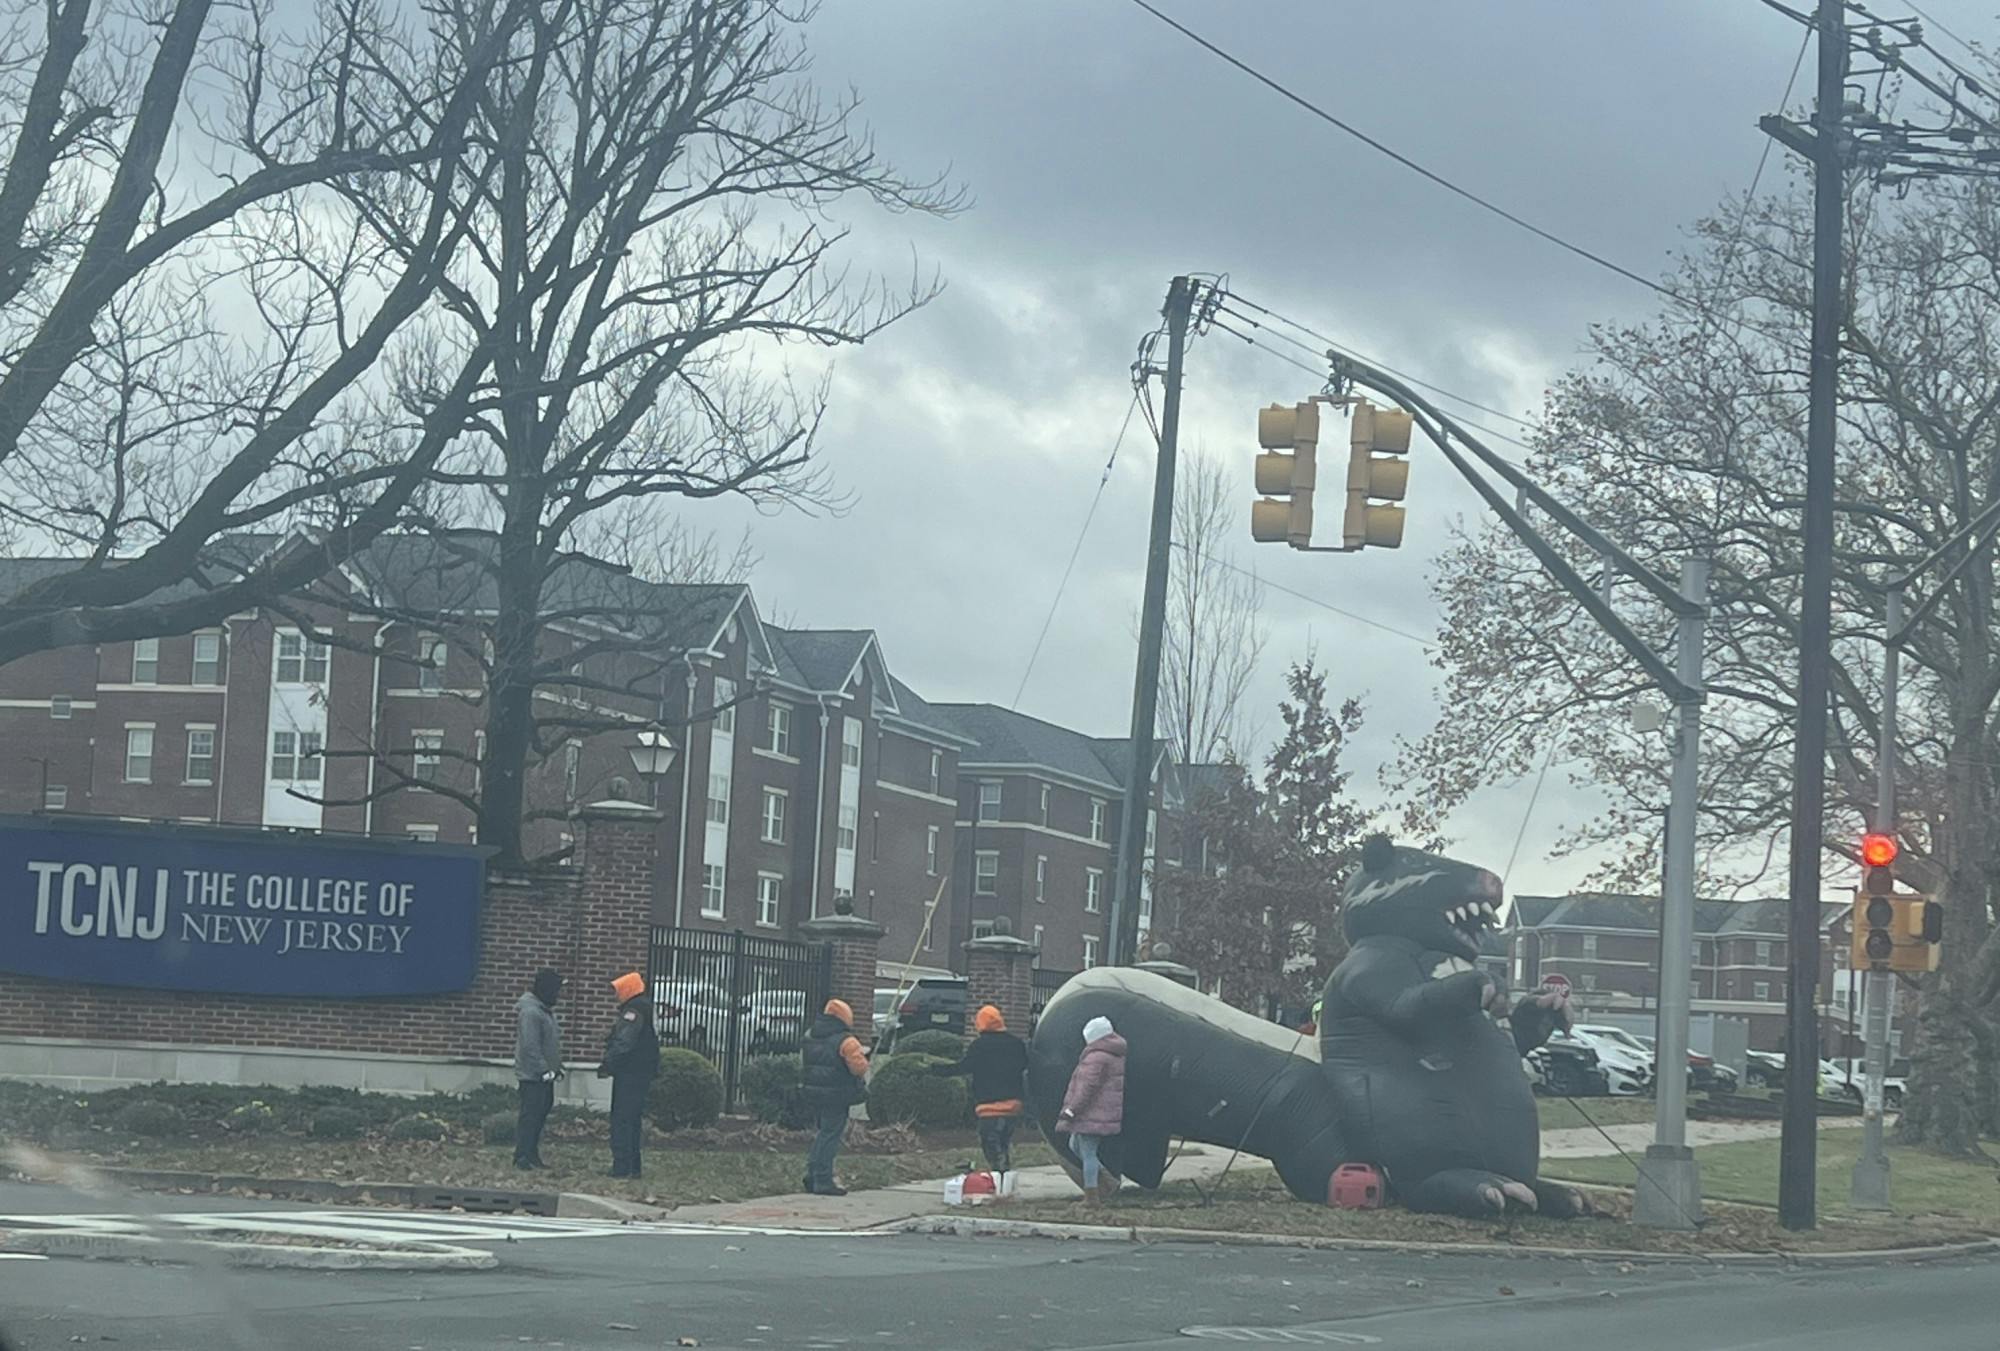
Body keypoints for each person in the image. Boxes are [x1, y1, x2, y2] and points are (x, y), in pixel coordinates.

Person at [930, 1004, 1028, 1172]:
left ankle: (999, 1176)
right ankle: (1004, 1177)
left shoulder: (980, 1045)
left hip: (989, 1106)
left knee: (990, 1144)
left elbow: (965, 1067)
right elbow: (1025, 1065)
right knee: (1003, 1143)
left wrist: (937, 1070)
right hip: (1013, 1104)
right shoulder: (1016, 1043)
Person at [800, 998, 869, 1196]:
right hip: (837, 1094)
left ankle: (813, 1174)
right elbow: (858, 1068)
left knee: (822, 1133)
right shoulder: (847, 1041)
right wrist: (864, 1058)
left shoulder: (811, 1034)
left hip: (814, 1092)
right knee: (830, 1135)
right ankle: (823, 1179)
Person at [1056, 1014, 1127, 1204]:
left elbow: (1087, 1087)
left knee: (1088, 1153)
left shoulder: (1097, 1057)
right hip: (1099, 1111)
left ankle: (1092, 1196)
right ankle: (1108, 1182)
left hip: (1091, 1112)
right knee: (1075, 1146)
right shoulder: (1113, 1054)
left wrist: (1072, 1109)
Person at [595, 971, 659, 1178]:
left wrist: (608, 1062)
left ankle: (621, 1167)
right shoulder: (645, 1008)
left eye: (619, 990)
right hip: (641, 1072)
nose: (617, 995)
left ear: (628, 989)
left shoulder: (633, 1011)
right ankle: (633, 1167)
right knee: (633, 1120)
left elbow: (625, 1042)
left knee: (622, 1119)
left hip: (630, 1072)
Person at [513, 967, 564, 1170]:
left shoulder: (544, 1011)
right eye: (556, 989)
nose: (559, 994)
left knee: (539, 1116)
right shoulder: (531, 1012)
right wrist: (543, 1070)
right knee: (530, 1116)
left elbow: (548, 1045)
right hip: (533, 1076)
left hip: (545, 1076)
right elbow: (530, 1046)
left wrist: (556, 1068)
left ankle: (532, 1155)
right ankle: (522, 1156)